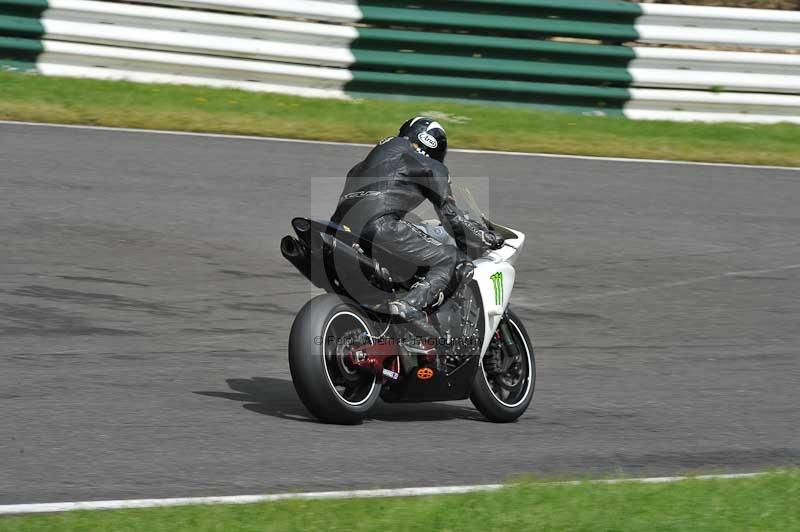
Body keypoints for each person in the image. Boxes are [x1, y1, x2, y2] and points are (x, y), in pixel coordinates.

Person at [331, 117, 504, 328]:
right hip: (380, 227)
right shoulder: (431, 166)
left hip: (339, 231)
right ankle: (410, 306)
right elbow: (451, 217)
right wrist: (483, 236)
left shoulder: (362, 166)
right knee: (452, 259)